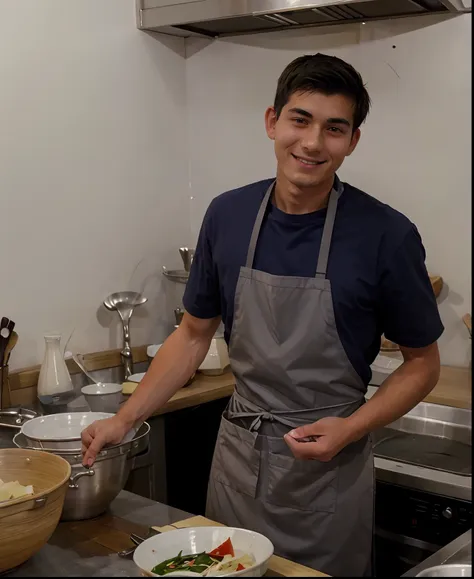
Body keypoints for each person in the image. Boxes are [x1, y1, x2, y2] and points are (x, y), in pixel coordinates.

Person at [81, 53, 444, 576]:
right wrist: (124, 418)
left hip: (328, 465)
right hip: (237, 454)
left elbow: (422, 364)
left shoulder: (386, 234)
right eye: (300, 119)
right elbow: (191, 336)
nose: (313, 143)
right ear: (272, 121)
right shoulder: (227, 215)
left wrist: (351, 427)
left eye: (334, 128)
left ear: (353, 141)